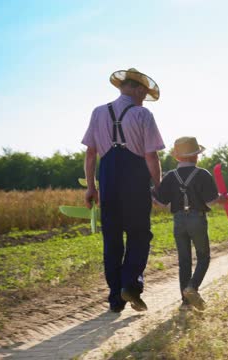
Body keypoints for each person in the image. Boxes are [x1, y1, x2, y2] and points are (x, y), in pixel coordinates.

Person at [81, 68, 165, 313]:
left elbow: (90, 154)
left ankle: (115, 299)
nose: (143, 97)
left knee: (113, 240)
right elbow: (151, 155)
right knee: (139, 235)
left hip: (108, 179)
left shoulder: (98, 112)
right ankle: (130, 283)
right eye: (143, 93)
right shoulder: (142, 114)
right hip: (135, 180)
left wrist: (91, 187)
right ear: (136, 89)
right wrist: (158, 186)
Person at [154, 136, 227, 310]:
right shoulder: (203, 174)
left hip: (178, 220)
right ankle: (192, 288)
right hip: (197, 219)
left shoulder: (170, 176)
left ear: (177, 157)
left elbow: (161, 203)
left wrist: (150, 194)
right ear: (196, 156)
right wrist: (221, 199)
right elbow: (210, 201)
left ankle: (185, 303)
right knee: (203, 257)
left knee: (184, 261)